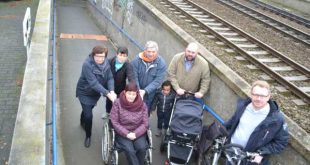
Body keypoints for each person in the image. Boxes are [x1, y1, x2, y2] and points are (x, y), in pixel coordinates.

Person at [224, 80, 289, 165]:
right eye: (256, 95)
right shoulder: (243, 106)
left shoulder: (276, 119)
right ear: (251, 94)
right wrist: (221, 131)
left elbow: (281, 142)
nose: (258, 99)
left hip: (251, 160)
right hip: (231, 152)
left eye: (262, 96)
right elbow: (232, 122)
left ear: (268, 97)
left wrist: (262, 152)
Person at [76, 45, 117, 148]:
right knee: (89, 115)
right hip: (85, 92)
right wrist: (107, 93)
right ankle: (88, 136)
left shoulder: (106, 63)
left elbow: (110, 78)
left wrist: (111, 91)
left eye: (102, 56)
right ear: (93, 55)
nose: (100, 59)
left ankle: (82, 119)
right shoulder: (87, 64)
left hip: (95, 93)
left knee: (88, 109)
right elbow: (93, 83)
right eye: (97, 56)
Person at [110, 82, 149, 165]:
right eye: (129, 93)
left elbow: (145, 123)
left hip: (138, 132)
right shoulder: (117, 103)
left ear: (137, 94)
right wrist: (127, 134)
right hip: (122, 133)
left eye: (133, 94)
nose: (131, 96)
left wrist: (135, 133)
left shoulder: (142, 105)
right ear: (125, 92)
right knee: (130, 150)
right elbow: (114, 122)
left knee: (142, 148)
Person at [131, 41, 167, 113]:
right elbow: (134, 76)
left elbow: (158, 81)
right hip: (135, 91)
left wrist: (145, 91)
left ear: (157, 52)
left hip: (150, 94)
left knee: (145, 112)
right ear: (145, 51)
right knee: (133, 111)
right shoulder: (136, 60)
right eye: (149, 51)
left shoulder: (161, 64)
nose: (151, 54)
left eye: (153, 52)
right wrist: (138, 90)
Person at [105, 46, 135, 116]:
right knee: (109, 101)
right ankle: (107, 112)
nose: (122, 57)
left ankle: (115, 115)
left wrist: (132, 88)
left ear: (127, 57)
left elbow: (131, 78)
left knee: (118, 103)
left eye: (124, 56)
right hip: (110, 87)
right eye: (120, 55)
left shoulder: (128, 65)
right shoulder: (110, 61)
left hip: (120, 88)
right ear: (116, 54)